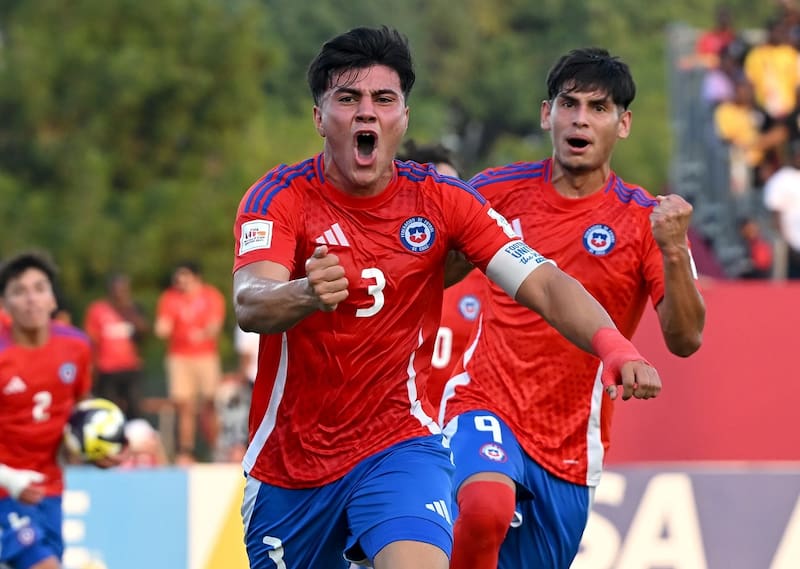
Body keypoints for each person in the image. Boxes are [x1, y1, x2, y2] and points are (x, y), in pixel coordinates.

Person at [232, 27, 661, 569]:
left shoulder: (441, 200)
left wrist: (615, 347)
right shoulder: (279, 198)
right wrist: (304, 292)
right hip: (289, 469)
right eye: (348, 99)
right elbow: (251, 301)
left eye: (383, 100)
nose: (367, 114)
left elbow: (546, 282)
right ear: (320, 117)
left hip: (398, 445)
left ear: (403, 118)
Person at [439, 47, 706, 569]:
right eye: (569, 104)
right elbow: (426, 269)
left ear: (623, 124)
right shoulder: (495, 193)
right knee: (485, 508)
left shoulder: (646, 221)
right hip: (482, 402)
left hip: (569, 446)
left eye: (599, 108)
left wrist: (675, 250)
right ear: (547, 114)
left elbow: (686, 339)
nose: (581, 118)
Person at [0, 252, 94, 569]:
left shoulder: (76, 347)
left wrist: (105, 447)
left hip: (49, 489)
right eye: (19, 291)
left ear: (53, 299)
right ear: (5, 305)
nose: (31, 299)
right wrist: (9, 479)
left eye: (39, 288)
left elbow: (82, 412)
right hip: (4, 493)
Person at [395, 139, 487, 410]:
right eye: (437, 190)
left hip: (459, 424)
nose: (449, 200)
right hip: (393, 429)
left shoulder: (487, 274)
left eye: (457, 188)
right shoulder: (379, 274)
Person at [154, 260, 225, 464]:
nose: (180, 281)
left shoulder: (211, 296)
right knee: (183, 405)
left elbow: (215, 325)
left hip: (205, 356)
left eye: (184, 276)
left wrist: (201, 334)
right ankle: (186, 450)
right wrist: (163, 328)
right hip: (179, 356)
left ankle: (217, 448)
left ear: (195, 277)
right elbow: (163, 326)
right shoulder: (170, 298)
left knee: (210, 404)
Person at [84, 272, 149, 419]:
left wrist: (131, 313)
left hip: (131, 367)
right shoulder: (98, 310)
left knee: (134, 409)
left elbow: (144, 335)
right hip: (107, 369)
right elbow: (91, 340)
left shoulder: (134, 309)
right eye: (118, 289)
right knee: (108, 409)